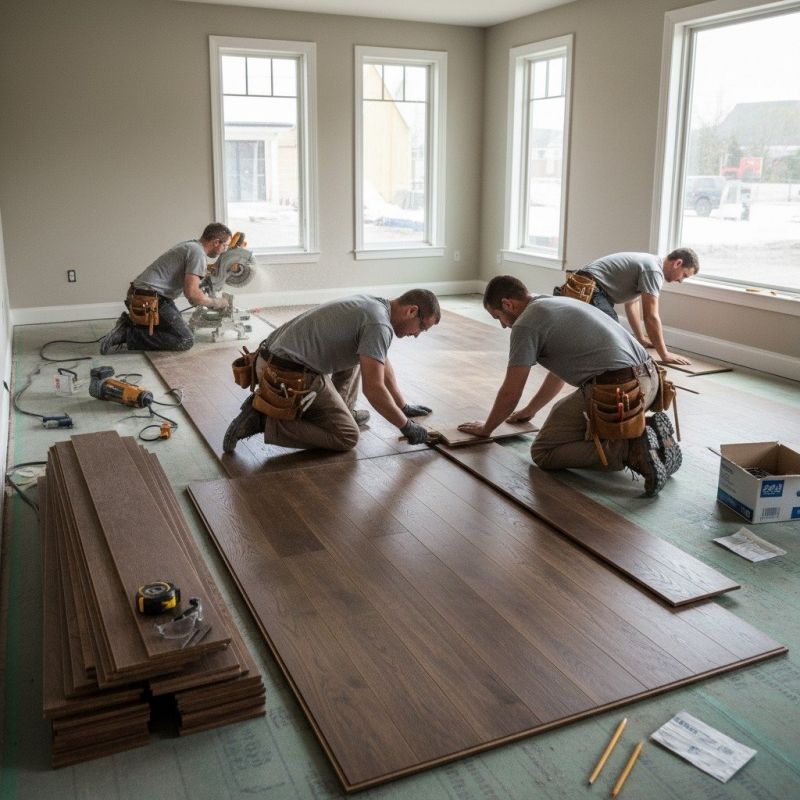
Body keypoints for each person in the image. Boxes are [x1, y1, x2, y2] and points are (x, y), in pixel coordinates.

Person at [458, 276, 681, 497]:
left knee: (544, 451)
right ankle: (648, 432)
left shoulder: (525, 323)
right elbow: (559, 374)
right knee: (566, 418)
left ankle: (629, 448)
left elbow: (511, 392)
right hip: (651, 384)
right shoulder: (555, 302)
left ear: (508, 304)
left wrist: (486, 429)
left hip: (619, 392)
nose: (503, 325)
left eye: (499, 317)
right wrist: (530, 411)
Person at [223, 290, 440, 454]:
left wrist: (403, 406)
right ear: (411, 311)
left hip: (269, 361)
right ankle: (264, 421)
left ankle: (343, 411)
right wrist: (406, 426)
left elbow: (380, 360)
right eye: (421, 327)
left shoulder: (375, 306)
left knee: (366, 357)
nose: (417, 335)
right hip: (289, 375)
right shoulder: (379, 325)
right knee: (346, 437)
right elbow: (373, 389)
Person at [99, 223, 232, 354]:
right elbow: (192, 295)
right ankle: (126, 335)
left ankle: (129, 323)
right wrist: (216, 303)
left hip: (142, 295)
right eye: (225, 246)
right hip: (149, 299)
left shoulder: (191, 246)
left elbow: (192, 291)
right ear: (216, 242)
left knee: (181, 329)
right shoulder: (198, 253)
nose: (224, 250)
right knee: (185, 339)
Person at [560, 249, 699, 365]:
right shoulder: (653, 271)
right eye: (684, 275)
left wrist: (641, 338)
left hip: (585, 285)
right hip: (587, 288)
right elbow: (651, 317)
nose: (681, 281)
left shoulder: (651, 264)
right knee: (613, 335)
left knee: (609, 335)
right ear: (678, 263)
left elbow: (632, 304)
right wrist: (665, 354)